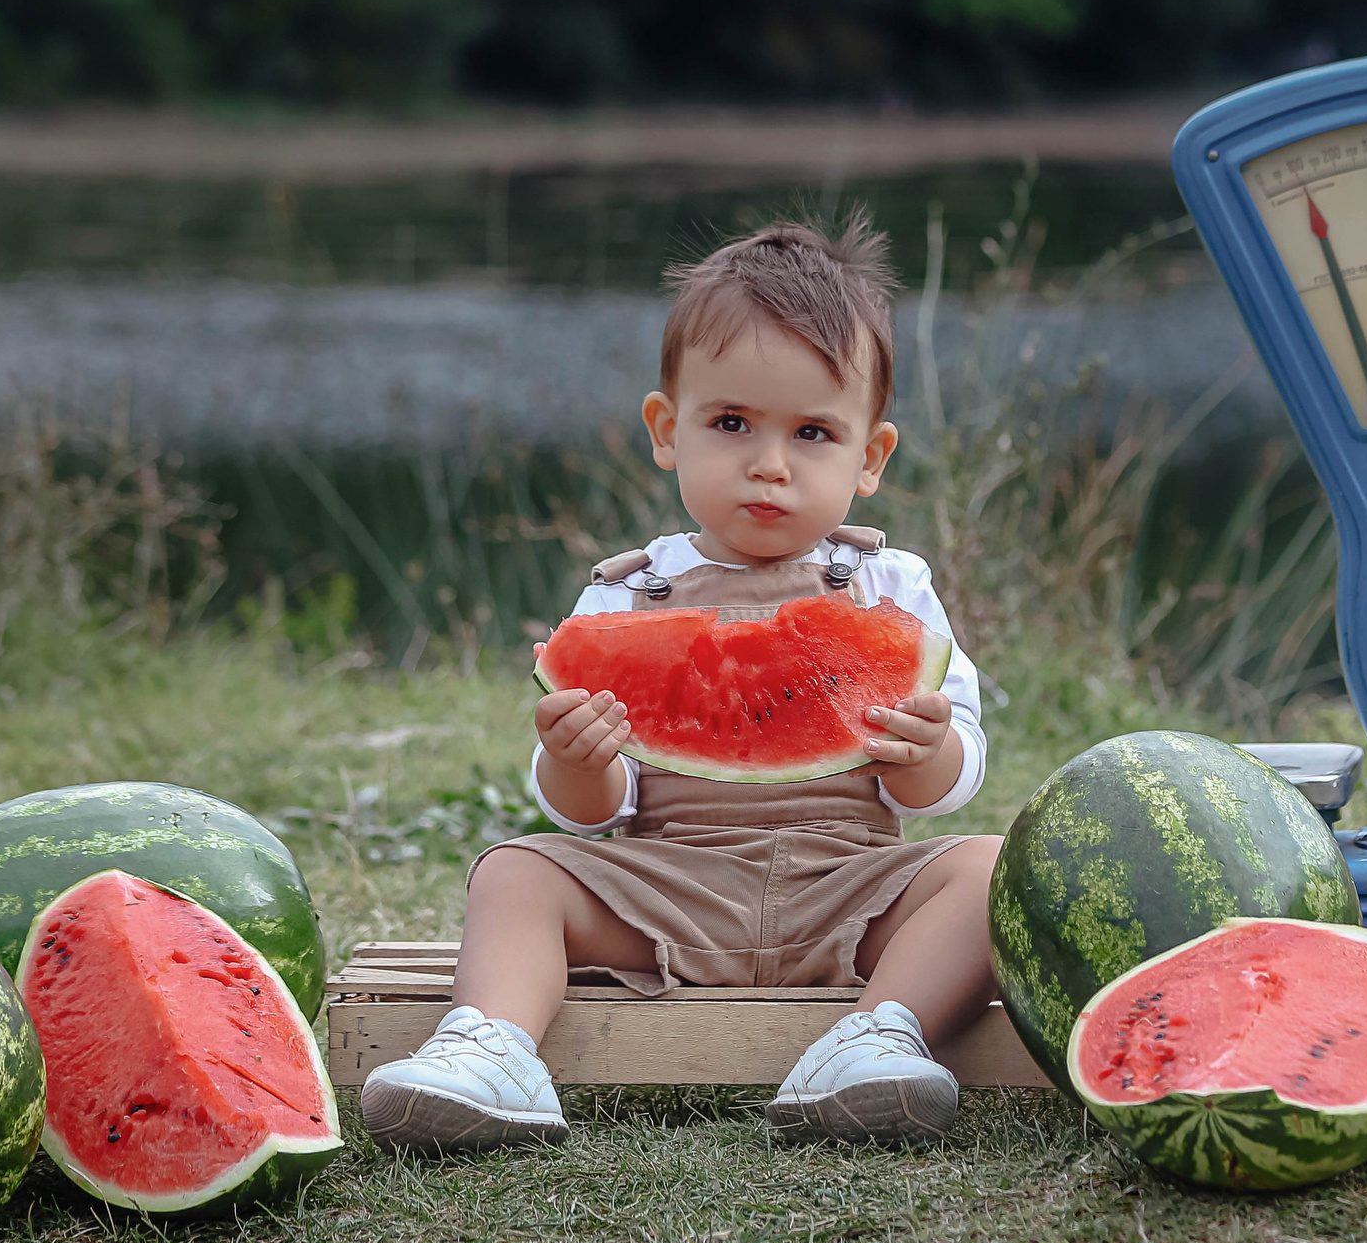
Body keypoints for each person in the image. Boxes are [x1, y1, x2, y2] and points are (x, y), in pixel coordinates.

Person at [357, 214, 1003, 1149]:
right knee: (517, 873)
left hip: (850, 891)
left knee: (988, 869)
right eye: (731, 422)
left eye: (814, 432)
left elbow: (954, 776)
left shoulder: (890, 588)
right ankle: (491, 1051)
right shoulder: (623, 594)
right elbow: (594, 810)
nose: (769, 463)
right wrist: (575, 761)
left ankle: (879, 1038)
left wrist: (928, 751)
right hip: (666, 889)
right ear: (668, 430)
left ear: (870, 458)